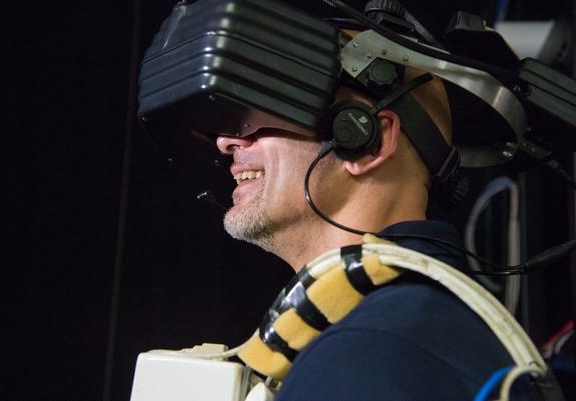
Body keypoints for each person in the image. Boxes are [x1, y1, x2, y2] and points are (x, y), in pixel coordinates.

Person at [215, 67, 535, 400]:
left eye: (265, 109)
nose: (226, 141)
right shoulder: (408, 329)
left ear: (367, 140)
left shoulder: (368, 349)